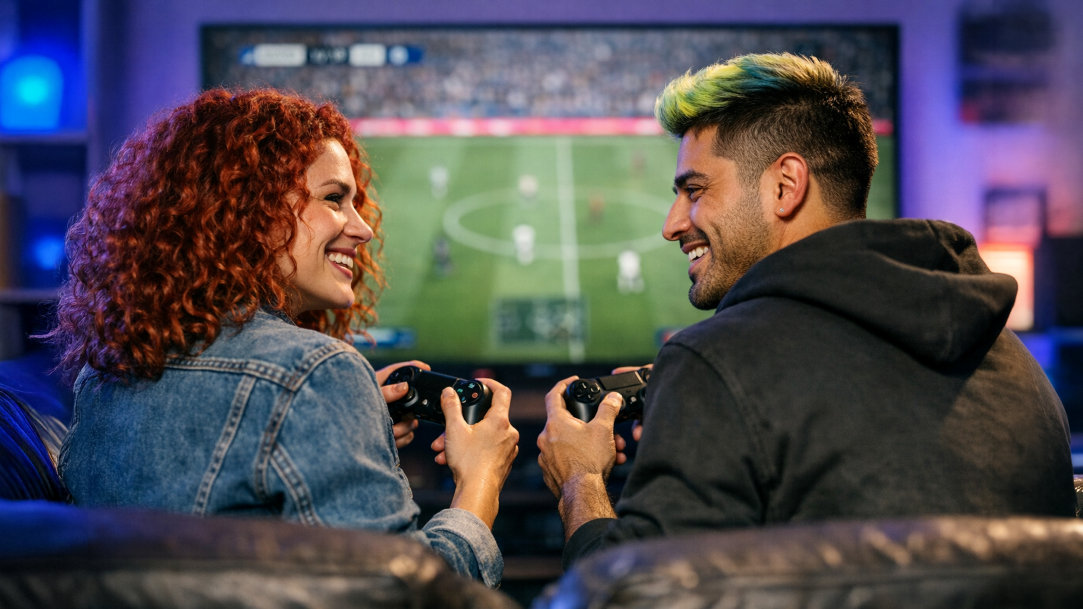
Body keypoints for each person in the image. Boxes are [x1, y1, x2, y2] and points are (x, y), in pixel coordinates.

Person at [536, 52, 1076, 568]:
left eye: (695, 190)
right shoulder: (1022, 372)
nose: (673, 224)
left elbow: (632, 595)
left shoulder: (716, 365)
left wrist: (580, 481)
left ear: (785, 186)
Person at [44, 89, 519, 587]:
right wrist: (480, 481)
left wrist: (348, 424)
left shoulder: (102, 375)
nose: (362, 229)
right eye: (334, 199)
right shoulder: (315, 373)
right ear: (248, 206)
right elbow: (402, 600)